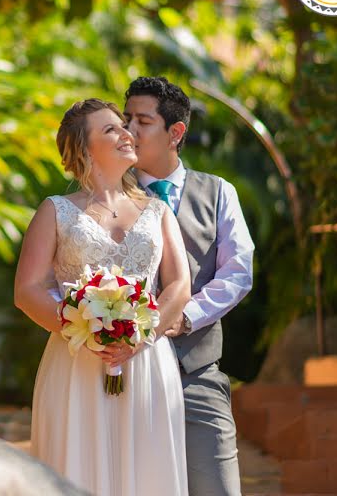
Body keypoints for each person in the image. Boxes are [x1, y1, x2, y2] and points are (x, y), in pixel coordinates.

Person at [15, 98, 192, 495]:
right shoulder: (55, 211)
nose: (127, 134)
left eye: (125, 125)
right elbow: (27, 290)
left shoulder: (158, 210)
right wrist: (86, 330)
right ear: (83, 149)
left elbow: (179, 285)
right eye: (112, 129)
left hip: (148, 362)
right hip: (76, 360)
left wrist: (139, 338)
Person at [123, 76, 255, 496]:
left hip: (196, 373)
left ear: (175, 132)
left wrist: (184, 317)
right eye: (125, 118)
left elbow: (238, 272)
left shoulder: (218, 193)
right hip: (124, 374)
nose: (128, 130)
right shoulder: (108, 196)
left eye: (142, 121)